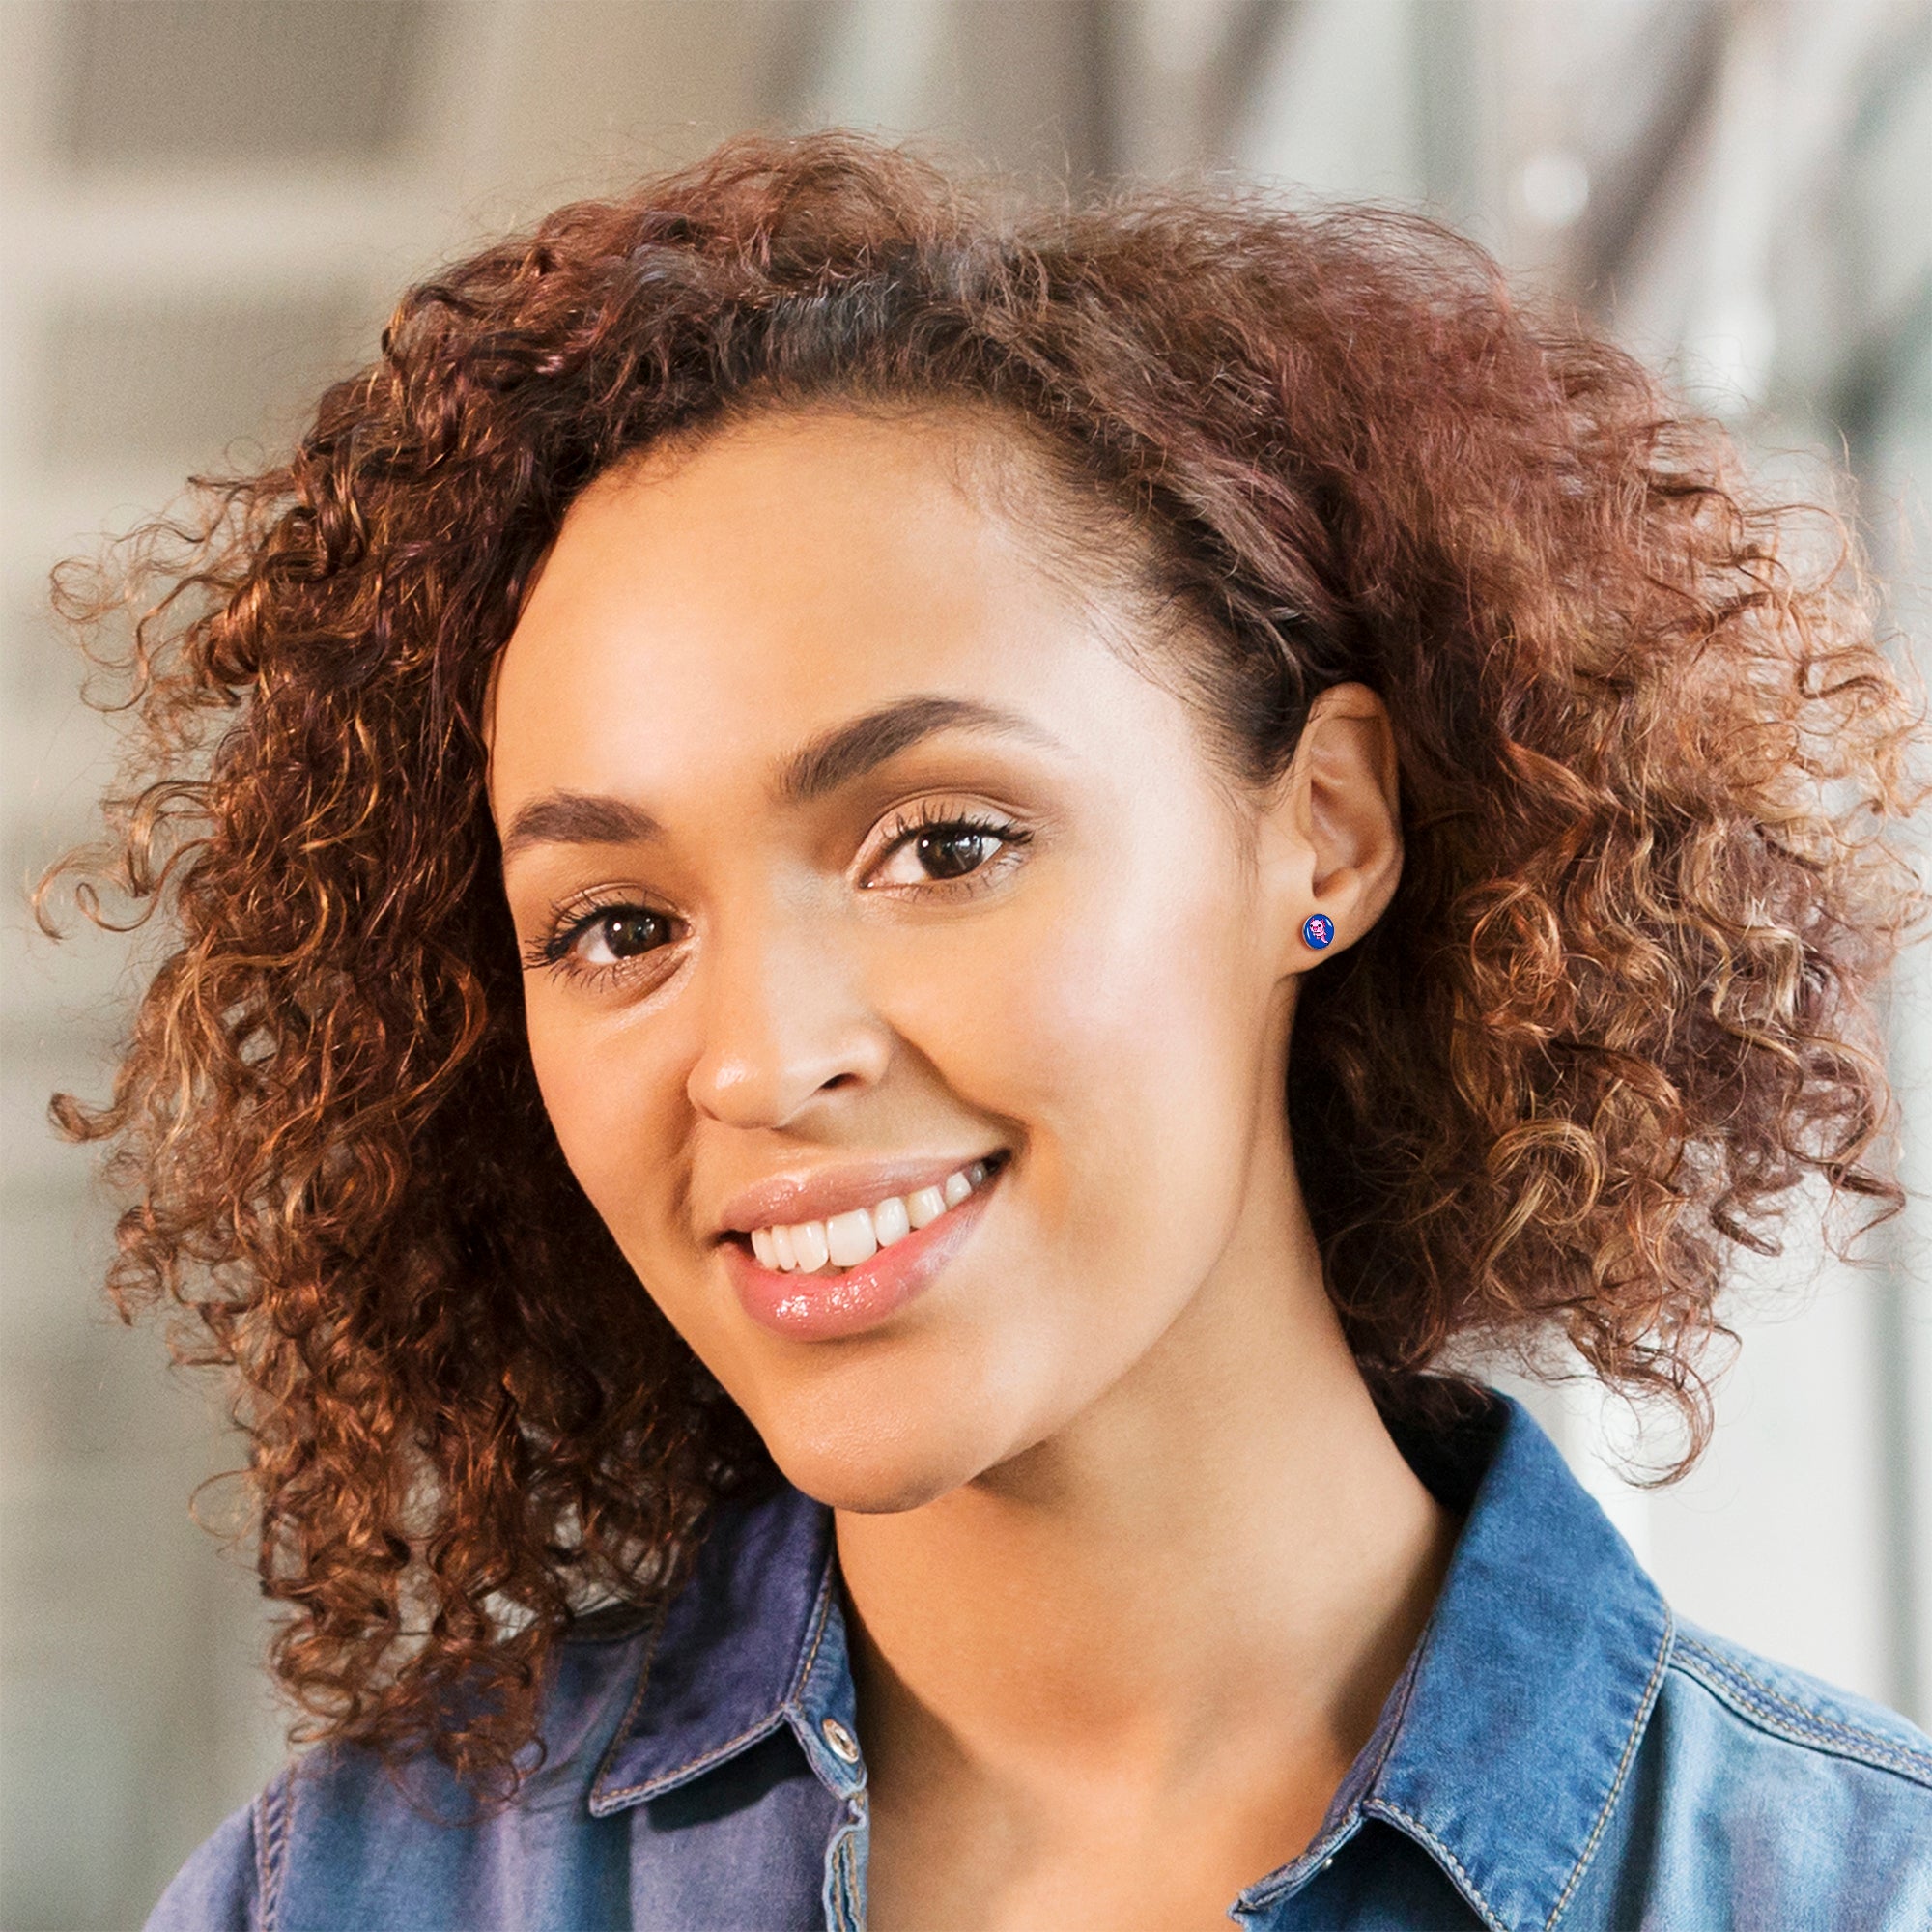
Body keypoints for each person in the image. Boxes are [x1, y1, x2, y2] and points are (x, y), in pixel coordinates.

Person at [47, 132, 1930, 1931]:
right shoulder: (364, 1896)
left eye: (941, 844)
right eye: (616, 925)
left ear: (1326, 830)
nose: (762, 1059)